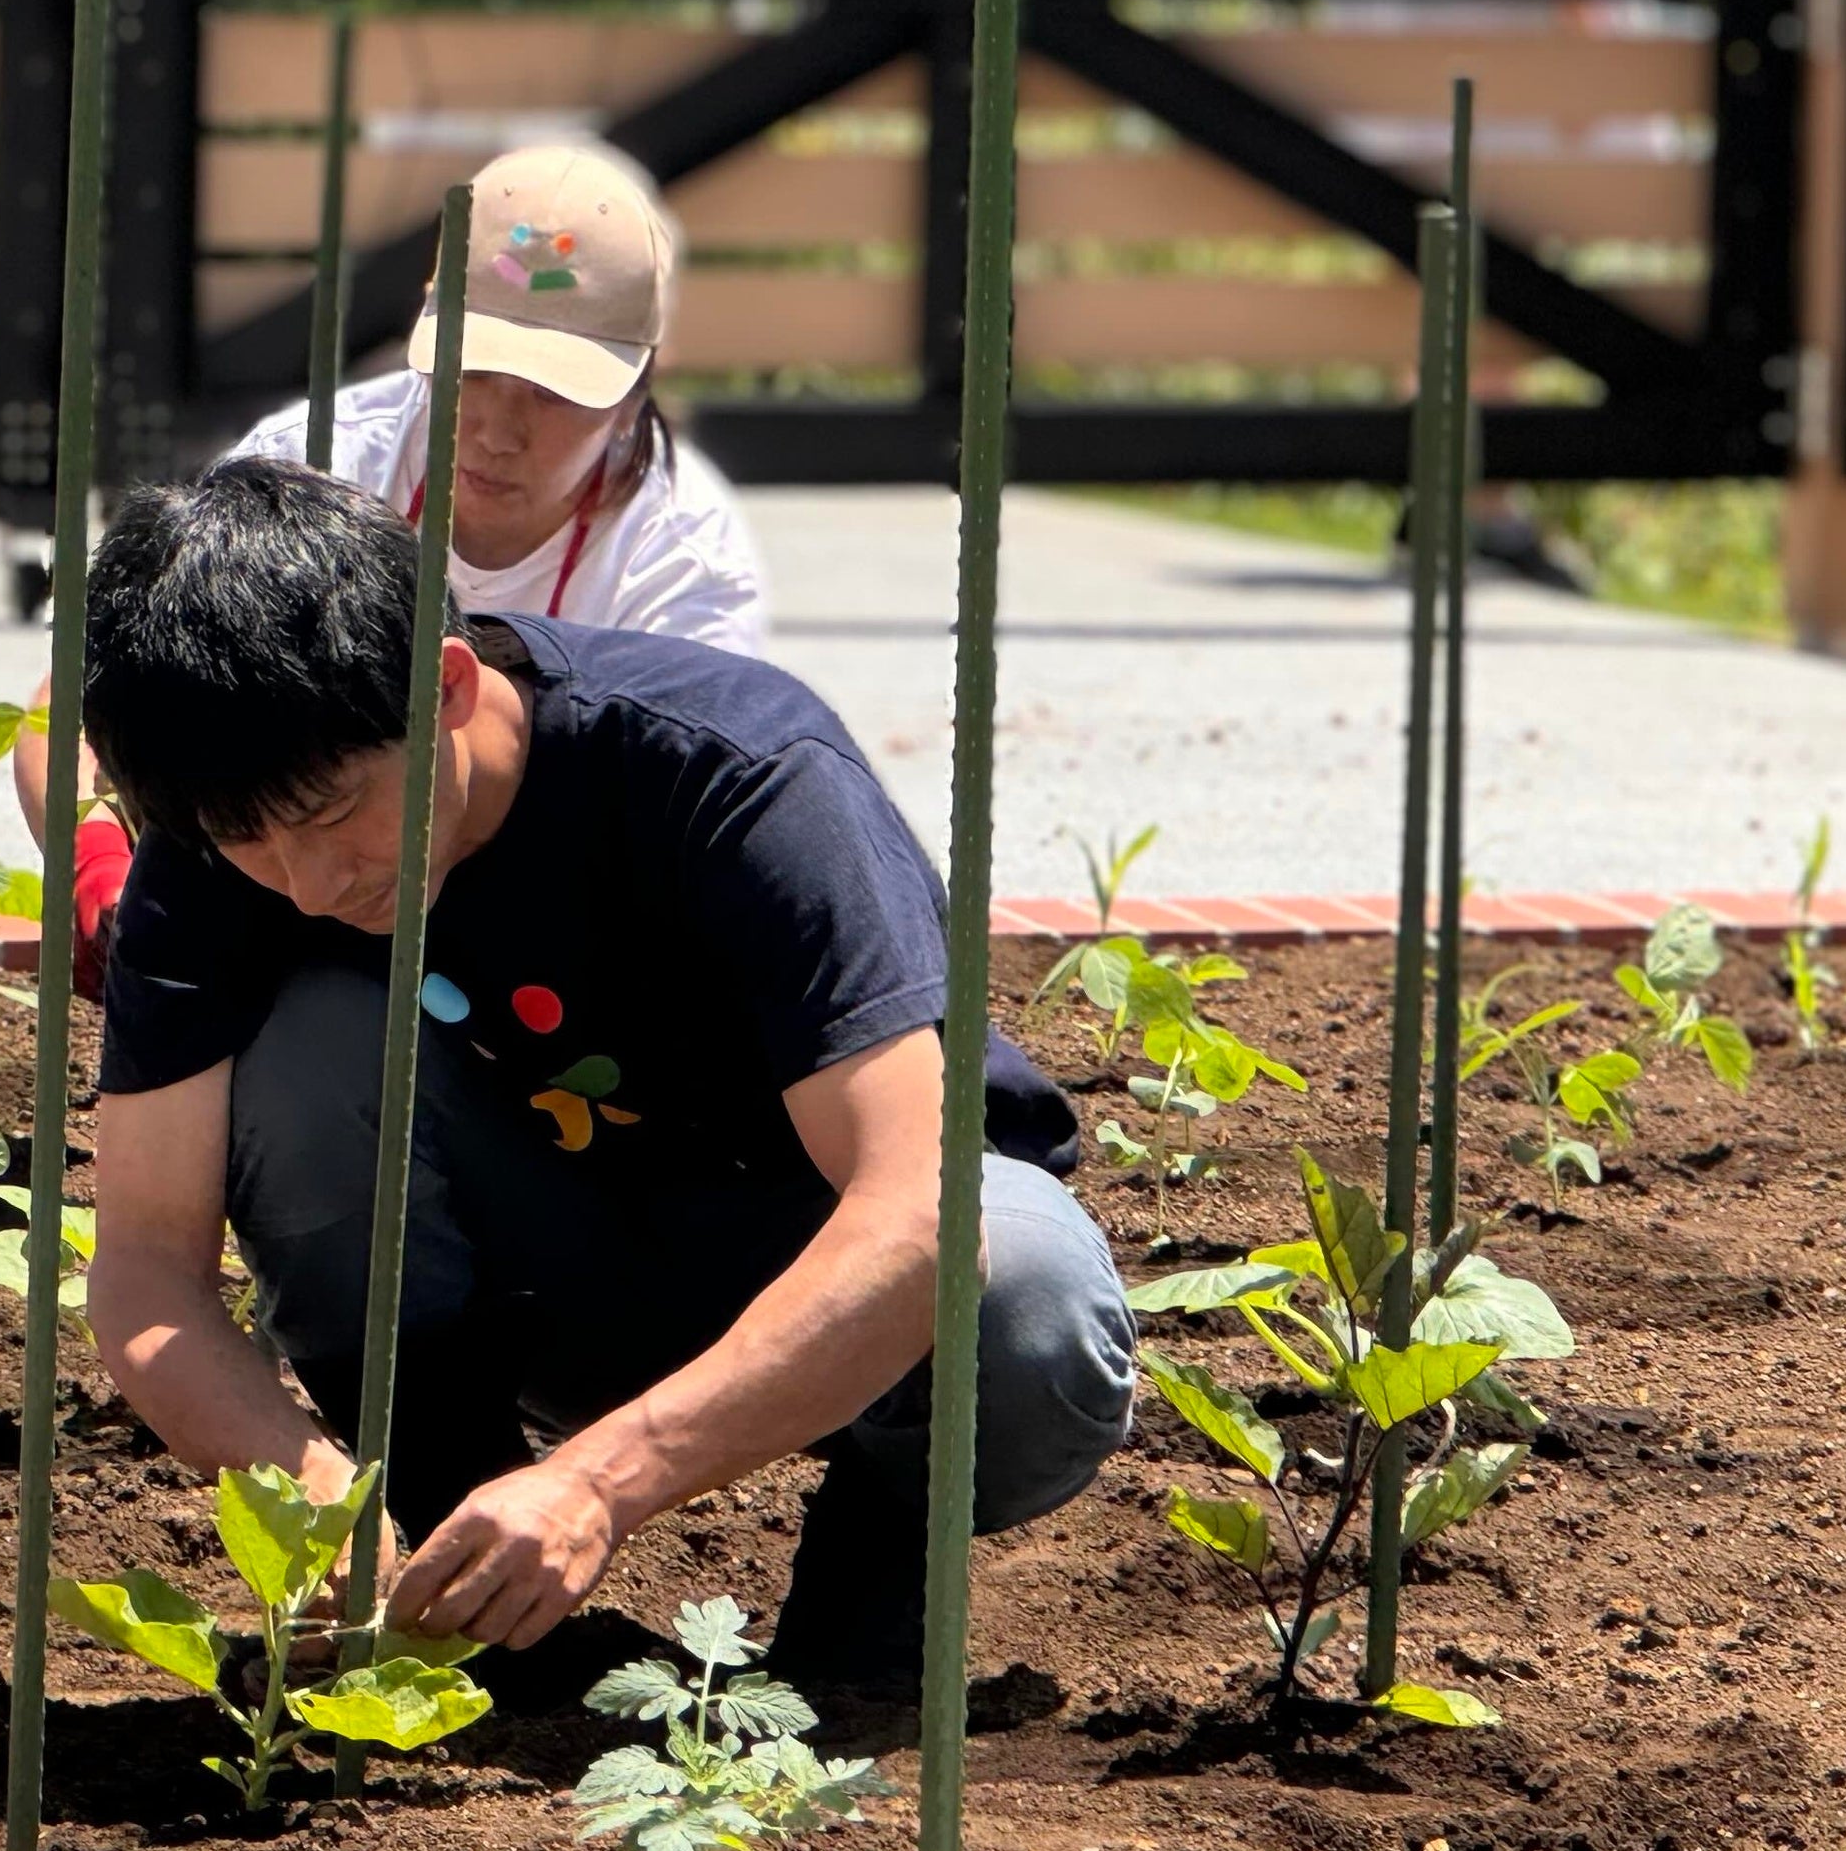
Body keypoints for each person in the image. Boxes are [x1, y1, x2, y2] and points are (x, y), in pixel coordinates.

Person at [74, 460, 1135, 1692]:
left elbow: (917, 1219)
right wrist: (310, 1495)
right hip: (557, 1275)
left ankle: (865, 1604)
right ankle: (456, 1560)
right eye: (248, 845)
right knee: (307, 1050)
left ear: (452, 687)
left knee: (1028, 1303)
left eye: (335, 813)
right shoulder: (220, 853)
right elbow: (146, 1270)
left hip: (825, 1270)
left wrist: (600, 1480)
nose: (308, 883)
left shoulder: (732, 773)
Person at [17, 144, 768, 982]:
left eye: (553, 393)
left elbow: (673, 827)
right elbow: (76, 701)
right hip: (288, 906)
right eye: (472, 370)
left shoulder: (684, 561)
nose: (495, 428)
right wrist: (98, 868)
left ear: (636, 388)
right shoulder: (313, 460)